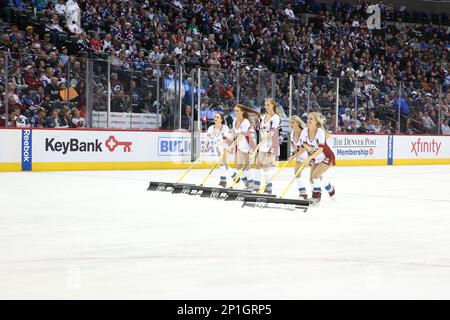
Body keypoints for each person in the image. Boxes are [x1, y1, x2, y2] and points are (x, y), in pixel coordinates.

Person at [301, 112, 336, 203]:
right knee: (312, 178)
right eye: (308, 118)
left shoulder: (320, 132)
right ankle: (330, 189)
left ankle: (316, 197)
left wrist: (309, 158)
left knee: (315, 176)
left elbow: (320, 149)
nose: (308, 120)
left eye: (311, 119)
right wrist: (308, 148)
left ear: (316, 121)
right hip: (317, 158)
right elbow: (304, 143)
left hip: (326, 156)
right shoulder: (305, 131)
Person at [253, 98, 281, 194]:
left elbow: (272, 133)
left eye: (268, 104)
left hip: (272, 144)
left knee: (266, 166)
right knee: (258, 165)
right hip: (263, 143)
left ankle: (268, 189)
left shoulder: (276, 117)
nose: (266, 106)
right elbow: (261, 131)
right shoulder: (263, 116)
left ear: (273, 105)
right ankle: (256, 187)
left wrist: (261, 142)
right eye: (265, 105)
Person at [230, 104, 258, 189]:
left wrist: (232, 145)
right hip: (240, 144)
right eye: (235, 111)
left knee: (246, 166)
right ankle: (246, 182)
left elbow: (242, 136)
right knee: (238, 166)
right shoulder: (234, 121)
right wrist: (229, 142)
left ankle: (251, 183)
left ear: (242, 112)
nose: (235, 112)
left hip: (249, 143)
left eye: (237, 111)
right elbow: (234, 135)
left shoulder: (246, 122)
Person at [204, 113, 230, 188]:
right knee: (223, 164)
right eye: (215, 117)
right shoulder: (211, 128)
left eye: (217, 117)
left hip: (226, 147)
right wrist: (205, 146)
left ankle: (223, 181)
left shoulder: (225, 128)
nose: (215, 118)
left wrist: (213, 146)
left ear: (221, 119)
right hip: (219, 148)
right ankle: (233, 178)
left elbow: (224, 141)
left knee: (223, 163)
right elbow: (207, 137)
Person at [287, 115, 309, 199]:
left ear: (298, 123)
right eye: (290, 122)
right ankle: (303, 193)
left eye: (293, 122)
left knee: (316, 176)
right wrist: (294, 153)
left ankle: (327, 187)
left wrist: (292, 157)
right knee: (297, 174)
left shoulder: (304, 133)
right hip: (300, 157)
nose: (291, 124)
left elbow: (303, 149)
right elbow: (293, 145)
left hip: (309, 156)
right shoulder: (292, 133)